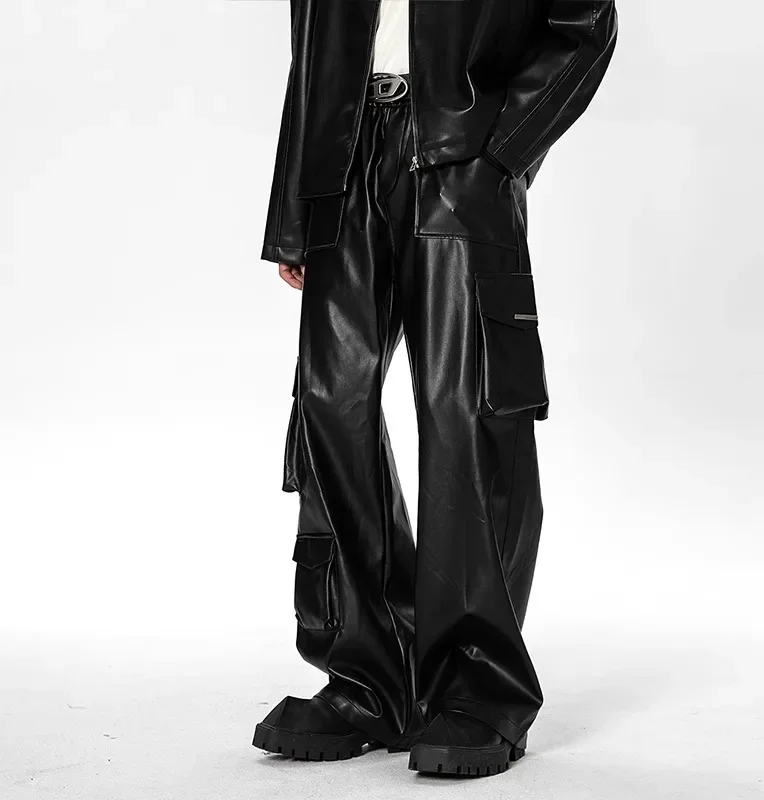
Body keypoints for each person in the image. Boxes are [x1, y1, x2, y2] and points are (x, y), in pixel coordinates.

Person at [252, 0, 618, 778]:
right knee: (328, 403)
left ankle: (480, 689)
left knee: (465, 406)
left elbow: (585, 26)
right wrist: (292, 207)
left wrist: (501, 154)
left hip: (460, 157)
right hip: (342, 159)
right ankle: (369, 680)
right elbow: (308, 45)